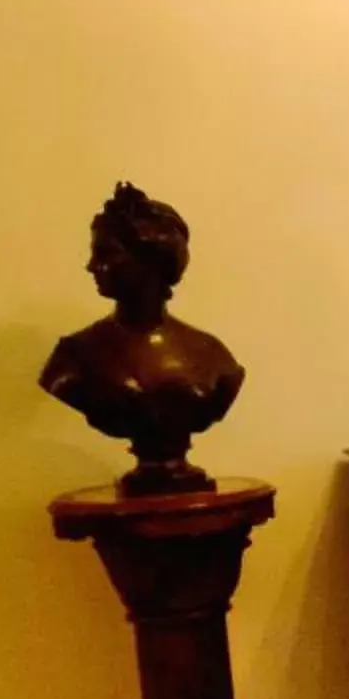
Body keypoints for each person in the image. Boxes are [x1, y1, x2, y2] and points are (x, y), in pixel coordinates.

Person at [39, 184, 245, 494]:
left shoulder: (212, 355)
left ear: (150, 260)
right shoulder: (75, 357)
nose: (92, 266)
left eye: (106, 253)